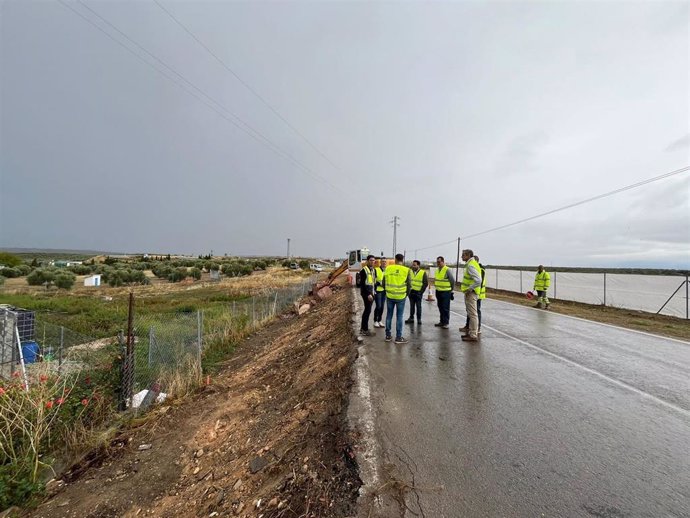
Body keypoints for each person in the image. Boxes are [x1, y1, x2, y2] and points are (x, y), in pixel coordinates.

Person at [383, 253, 411, 344]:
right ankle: (398, 337)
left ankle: (388, 335)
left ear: (395, 259)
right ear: (402, 260)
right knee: (399, 316)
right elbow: (409, 285)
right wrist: (406, 294)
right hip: (401, 297)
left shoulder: (388, 268)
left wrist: (387, 290)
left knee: (389, 315)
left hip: (390, 296)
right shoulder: (406, 270)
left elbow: (383, 282)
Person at [459, 249, 482, 342]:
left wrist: (470, 288)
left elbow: (478, 280)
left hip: (471, 293)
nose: (461, 257)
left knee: (473, 314)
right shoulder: (471, 263)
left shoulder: (471, 265)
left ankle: (473, 335)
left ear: (468, 255)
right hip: (470, 293)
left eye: (463, 255)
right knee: (471, 313)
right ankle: (471, 332)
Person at [434, 256, 455, 329]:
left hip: (446, 292)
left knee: (445, 308)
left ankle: (446, 323)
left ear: (443, 262)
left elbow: (452, 281)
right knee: (440, 307)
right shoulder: (437, 270)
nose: (438, 263)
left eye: (439, 262)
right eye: (437, 262)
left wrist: (451, 290)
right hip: (438, 291)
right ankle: (442, 321)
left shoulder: (447, 269)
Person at [358, 255, 377, 335]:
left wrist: (374, 291)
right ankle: (364, 330)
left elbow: (373, 282)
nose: (372, 262)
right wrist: (368, 294)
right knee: (367, 310)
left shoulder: (373, 270)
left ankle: (364, 328)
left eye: (373, 260)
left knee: (368, 310)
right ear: (367, 261)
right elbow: (362, 284)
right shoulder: (363, 270)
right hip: (366, 294)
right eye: (371, 260)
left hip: (371, 293)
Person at [406, 260, 428, 325]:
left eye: (414, 265)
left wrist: (421, 292)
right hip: (411, 292)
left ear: (418, 265)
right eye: (412, 265)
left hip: (418, 293)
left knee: (418, 306)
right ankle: (411, 318)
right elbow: (407, 281)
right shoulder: (410, 272)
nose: (413, 266)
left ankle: (419, 319)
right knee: (411, 306)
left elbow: (425, 283)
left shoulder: (423, 272)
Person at [373, 258, 387, 328]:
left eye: (385, 262)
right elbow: (373, 280)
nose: (384, 263)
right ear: (380, 263)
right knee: (378, 306)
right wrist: (378, 283)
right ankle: (375, 321)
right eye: (383, 262)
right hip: (378, 290)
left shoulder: (387, 270)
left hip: (384, 291)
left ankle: (379, 320)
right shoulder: (376, 270)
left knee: (382, 307)